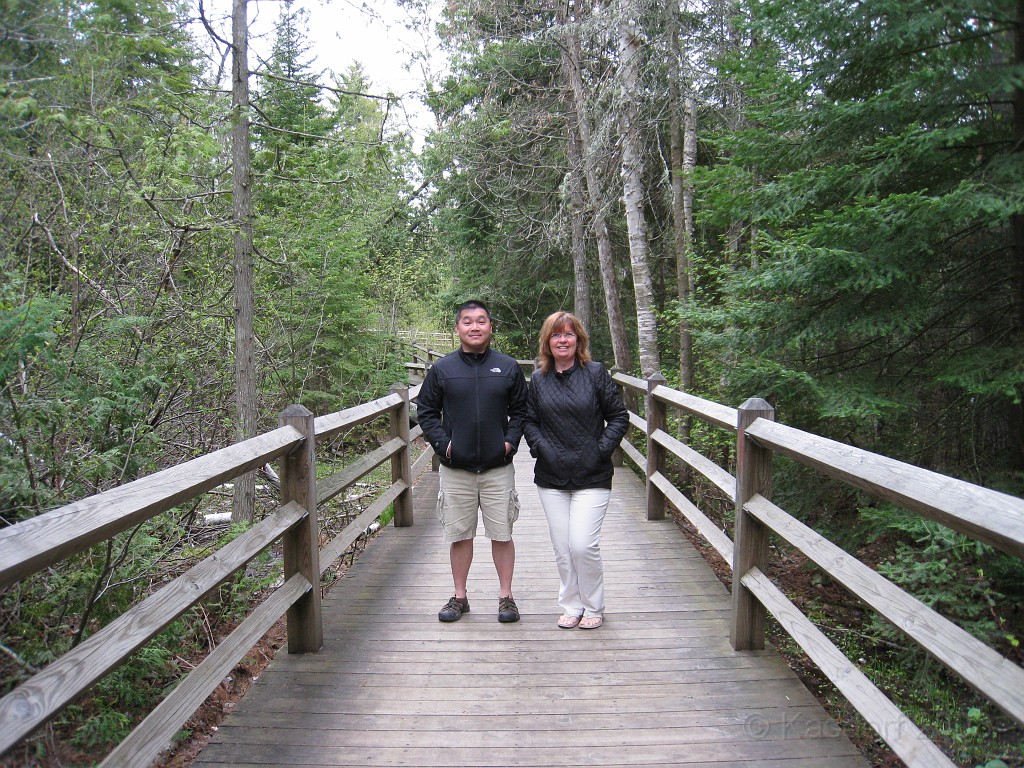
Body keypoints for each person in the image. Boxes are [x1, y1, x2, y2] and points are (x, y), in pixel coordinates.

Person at [417, 300, 529, 623]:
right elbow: (425, 411)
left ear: (490, 327)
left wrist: (509, 442)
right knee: (459, 534)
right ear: (458, 329)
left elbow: (522, 410)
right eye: (468, 322)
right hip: (457, 469)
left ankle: (506, 597)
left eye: (481, 321)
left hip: (497, 467)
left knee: (502, 533)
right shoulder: (442, 370)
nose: (475, 327)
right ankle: (460, 596)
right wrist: (444, 444)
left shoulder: (507, 367)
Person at [523, 311, 628, 630]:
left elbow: (619, 417)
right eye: (556, 335)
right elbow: (529, 420)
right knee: (563, 546)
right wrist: (542, 449)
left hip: (592, 475)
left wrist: (599, 451)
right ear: (547, 341)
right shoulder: (539, 380)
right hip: (552, 476)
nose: (563, 340)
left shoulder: (596, 373)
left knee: (583, 544)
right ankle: (571, 604)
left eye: (569, 334)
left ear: (578, 339)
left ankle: (594, 605)